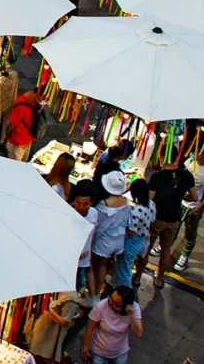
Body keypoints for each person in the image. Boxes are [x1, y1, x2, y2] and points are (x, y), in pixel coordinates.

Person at [148, 156, 197, 288]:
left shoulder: (157, 176)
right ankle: (159, 278)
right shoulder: (187, 175)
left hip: (157, 217)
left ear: (162, 156)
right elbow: (194, 197)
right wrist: (180, 196)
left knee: (148, 246)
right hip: (174, 219)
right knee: (166, 249)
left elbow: (150, 199)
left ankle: (137, 276)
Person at [91, 170, 129, 301]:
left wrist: (92, 241)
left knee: (98, 266)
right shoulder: (125, 201)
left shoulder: (104, 205)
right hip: (118, 240)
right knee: (104, 265)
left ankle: (95, 294)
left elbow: (100, 227)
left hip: (104, 242)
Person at [81, 287, 142, 364]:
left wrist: (131, 315)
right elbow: (89, 329)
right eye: (111, 298)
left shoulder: (134, 309)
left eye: (116, 304)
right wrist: (85, 349)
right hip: (98, 350)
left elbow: (138, 333)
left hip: (119, 351)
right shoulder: (101, 306)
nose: (110, 303)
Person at [114, 178, 155, 288]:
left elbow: (131, 231)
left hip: (132, 242)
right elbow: (152, 220)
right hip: (143, 239)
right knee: (125, 266)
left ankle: (123, 291)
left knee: (125, 269)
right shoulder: (151, 204)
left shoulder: (136, 211)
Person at [30, 290, 82, 364]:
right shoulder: (54, 289)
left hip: (51, 337)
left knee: (46, 359)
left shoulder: (70, 297)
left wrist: (46, 308)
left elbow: (65, 322)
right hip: (42, 331)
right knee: (37, 357)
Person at [4, 88, 40, 161]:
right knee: (15, 167)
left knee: (23, 162)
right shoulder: (20, 107)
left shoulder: (34, 101)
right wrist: (6, 137)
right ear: (37, 94)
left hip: (28, 140)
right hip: (17, 143)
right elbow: (11, 125)